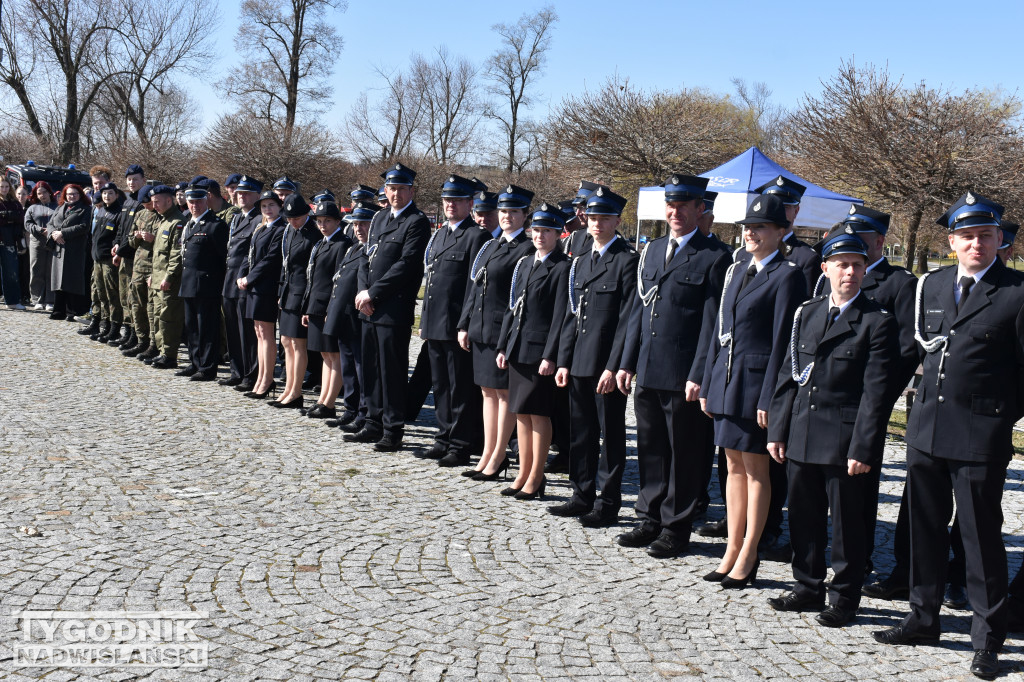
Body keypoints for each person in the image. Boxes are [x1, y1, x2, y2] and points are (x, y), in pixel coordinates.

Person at [872, 192, 1024, 681]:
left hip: (980, 437)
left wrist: (998, 419)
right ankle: (923, 618)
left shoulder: (1017, 292)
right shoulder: (932, 286)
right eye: (968, 236)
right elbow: (914, 354)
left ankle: (987, 639)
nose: (977, 244)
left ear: (999, 240)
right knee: (923, 531)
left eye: (986, 236)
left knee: (980, 540)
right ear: (952, 242)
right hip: (926, 430)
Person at [766, 231, 897, 628]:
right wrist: (778, 429)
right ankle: (807, 586)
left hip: (844, 440)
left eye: (857, 265)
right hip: (803, 432)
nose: (850, 272)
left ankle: (844, 597)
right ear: (825, 268)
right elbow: (789, 376)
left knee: (847, 525)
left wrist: (864, 447)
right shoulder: (807, 313)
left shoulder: (876, 322)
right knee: (803, 517)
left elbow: (876, 394)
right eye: (842, 265)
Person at [615, 174, 730, 558]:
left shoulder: (714, 256)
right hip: (649, 368)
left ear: (700, 209)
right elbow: (639, 310)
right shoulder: (651, 250)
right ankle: (649, 517)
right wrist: (626, 362)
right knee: (652, 448)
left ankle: (675, 528)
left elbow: (712, 325)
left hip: (683, 374)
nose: (675, 212)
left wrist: (699, 373)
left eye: (683, 205)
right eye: (671, 205)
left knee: (685, 455)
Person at [699, 194, 806, 589]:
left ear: (781, 232)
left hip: (757, 385)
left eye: (760, 227)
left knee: (756, 470)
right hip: (728, 381)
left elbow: (783, 343)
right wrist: (709, 381)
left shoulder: (788, 275)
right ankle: (731, 547)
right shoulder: (738, 269)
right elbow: (719, 331)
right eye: (748, 227)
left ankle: (749, 552)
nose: (751, 233)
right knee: (732, 467)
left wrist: (770, 398)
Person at [548, 187, 638, 527]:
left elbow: (627, 320)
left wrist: (614, 367)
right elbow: (572, 315)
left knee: (611, 436)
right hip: (579, 361)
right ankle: (581, 493)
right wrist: (564, 360)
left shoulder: (626, 261)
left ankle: (608, 502)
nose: (596, 224)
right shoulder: (582, 260)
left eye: (604, 218)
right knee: (581, 432)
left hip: (605, 365)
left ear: (617, 221)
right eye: (592, 218)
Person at [345, 163, 430, 452]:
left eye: (401, 189)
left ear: (411, 191)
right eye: (391, 188)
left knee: (392, 372)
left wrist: (373, 293)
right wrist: (362, 291)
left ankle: (392, 429)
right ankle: (373, 422)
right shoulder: (379, 217)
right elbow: (365, 258)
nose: (395, 194)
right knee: (370, 369)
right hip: (369, 307)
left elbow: (406, 265)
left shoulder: (416, 221)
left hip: (392, 309)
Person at [457, 184, 535, 478]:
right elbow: (474, 287)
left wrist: (506, 340)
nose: (506, 216)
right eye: (503, 211)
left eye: (513, 212)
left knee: (503, 395)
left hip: (502, 333)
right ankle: (488, 453)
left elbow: (518, 301)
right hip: (480, 329)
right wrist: (464, 324)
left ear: (525, 216)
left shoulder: (526, 250)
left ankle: (499, 454)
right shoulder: (491, 244)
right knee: (487, 393)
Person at [495, 203, 570, 499]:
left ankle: (537, 476)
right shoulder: (525, 263)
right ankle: (523, 473)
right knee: (521, 414)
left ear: (558, 234)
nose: (539, 236)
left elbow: (560, 317)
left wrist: (551, 355)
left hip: (540, 354)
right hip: (518, 348)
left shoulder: (562, 267)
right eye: (536, 230)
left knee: (538, 415)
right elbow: (513, 308)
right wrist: (504, 345)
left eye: (546, 231)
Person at [417, 174, 489, 466]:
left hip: (456, 324)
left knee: (461, 389)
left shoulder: (476, 236)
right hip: (435, 322)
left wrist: (465, 324)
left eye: (457, 201)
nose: (450, 205)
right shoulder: (440, 234)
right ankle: (444, 437)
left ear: (470, 204)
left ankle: (461, 444)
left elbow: (474, 287)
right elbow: (432, 281)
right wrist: (424, 320)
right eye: (447, 200)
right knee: (441, 386)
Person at [323, 203, 378, 426]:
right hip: (344, 315)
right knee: (347, 365)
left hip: (360, 316)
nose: (358, 229)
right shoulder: (354, 248)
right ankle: (350, 408)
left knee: (360, 366)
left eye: (364, 224)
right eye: (355, 224)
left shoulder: (374, 250)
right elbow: (338, 281)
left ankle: (363, 412)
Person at [300, 201, 352, 419]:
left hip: (330, 307)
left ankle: (330, 403)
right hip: (316, 305)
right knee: (324, 354)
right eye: (319, 221)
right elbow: (312, 279)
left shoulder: (342, 244)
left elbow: (339, 281)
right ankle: (322, 399)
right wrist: (307, 308)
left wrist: (332, 310)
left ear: (338, 221)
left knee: (334, 354)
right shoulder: (321, 243)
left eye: (327, 221)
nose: (322, 225)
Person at [175, 181, 229, 381]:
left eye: (198, 201)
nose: (194, 205)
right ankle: (195, 362)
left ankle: (207, 367)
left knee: (207, 328)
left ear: (206, 200)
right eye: (191, 202)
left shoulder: (215, 225)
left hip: (207, 285)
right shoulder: (189, 223)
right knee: (191, 327)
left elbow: (223, 258)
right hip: (189, 283)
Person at [272, 194, 321, 409]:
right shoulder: (289, 231)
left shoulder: (313, 234)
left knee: (297, 344)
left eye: (297, 218)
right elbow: (286, 264)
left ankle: (295, 391)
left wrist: (309, 302)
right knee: (285, 342)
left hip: (302, 295)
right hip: (288, 292)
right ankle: (289, 388)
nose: (293, 221)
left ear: (307, 214)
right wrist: (281, 292)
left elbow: (313, 271)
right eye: (289, 218)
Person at [237, 190, 286, 399]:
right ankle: (261, 378)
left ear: (280, 207)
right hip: (254, 287)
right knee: (259, 333)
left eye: (271, 205)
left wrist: (250, 278)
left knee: (266, 334)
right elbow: (249, 255)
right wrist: (241, 275)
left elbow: (270, 259)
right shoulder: (260, 228)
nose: (268, 209)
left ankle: (267, 380)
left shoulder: (281, 229)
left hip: (266, 287)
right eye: (264, 206)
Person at [221, 176, 263, 389]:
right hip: (230, 280)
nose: (241, 196)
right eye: (239, 193)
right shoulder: (237, 218)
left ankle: (250, 374)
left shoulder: (259, 220)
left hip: (245, 282)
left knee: (247, 332)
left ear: (257, 196)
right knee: (232, 330)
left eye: (247, 193)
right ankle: (236, 370)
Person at [147, 185, 187, 369]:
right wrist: (152, 276)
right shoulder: (163, 220)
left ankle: (170, 355)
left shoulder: (177, 222)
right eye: (153, 202)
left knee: (168, 318)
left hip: (169, 281)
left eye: (157, 202)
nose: (154, 205)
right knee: (157, 316)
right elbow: (158, 254)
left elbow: (176, 254)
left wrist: (169, 277)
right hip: (158, 278)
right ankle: (162, 351)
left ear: (169, 200)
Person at [108, 165, 146, 351]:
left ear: (143, 180)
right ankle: (128, 331)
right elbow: (121, 229)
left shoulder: (142, 202)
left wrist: (121, 251)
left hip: (134, 255)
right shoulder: (127, 201)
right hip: (123, 254)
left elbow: (134, 233)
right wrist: (116, 244)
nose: (132, 182)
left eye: (135, 179)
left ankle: (136, 335)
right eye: (129, 179)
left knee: (134, 298)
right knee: (124, 296)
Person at [46, 184, 91, 320]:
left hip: (74, 249)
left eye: (75, 194)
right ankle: (58, 311)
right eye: (69, 194)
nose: (72, 196)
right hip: (59, 249)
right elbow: (50, 224)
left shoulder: (85, 209)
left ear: (80, 195)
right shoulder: (60, 208)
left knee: (72, 280)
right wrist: (53, 234)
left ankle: (72, 311)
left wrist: (63, 233)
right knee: (58, 280)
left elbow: (84, 227)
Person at [124, 186, 159, 358]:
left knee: (151, 308)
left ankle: (154, 344)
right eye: (144, 204)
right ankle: (141, 341)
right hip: (138, 266)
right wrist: (136, 237)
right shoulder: (140, 214)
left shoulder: (162, 216)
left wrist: (153, 239)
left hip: (153, 266)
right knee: (136, 306)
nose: (146, 206)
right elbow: (130, 241)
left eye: (148, 203)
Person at [90, 182, 126, 343]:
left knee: (112, 294)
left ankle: (114, 328)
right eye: (104, 193)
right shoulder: (101, 210)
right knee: (99, 293)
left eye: (110, 193)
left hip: (109, 260)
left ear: (116, 195)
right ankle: (103, 324)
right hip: (97, 258)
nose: (107, 196)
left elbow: (119, 235)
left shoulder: (119, 213)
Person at [24, 181, 57, 310]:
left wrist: (52, 230)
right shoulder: (32, 208)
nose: (42, 195)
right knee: (36, 269)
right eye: (39, 193)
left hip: (53, 242)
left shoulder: (57, 207)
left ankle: (50, 300)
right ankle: (37, 299)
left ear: (49, 192)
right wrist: (39, 230)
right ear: (36, 195)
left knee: (51, 270)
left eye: (44, 192)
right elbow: (27, 224)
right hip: (36, 242)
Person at [0, 179, 26, 310]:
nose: (4, 189)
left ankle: (12, 301)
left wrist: (5, 215)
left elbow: (20, 218)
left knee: (11, 271)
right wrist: (10, 217)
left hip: (9, 240)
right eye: (1, 186)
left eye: (6, 186)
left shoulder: (14, 203)